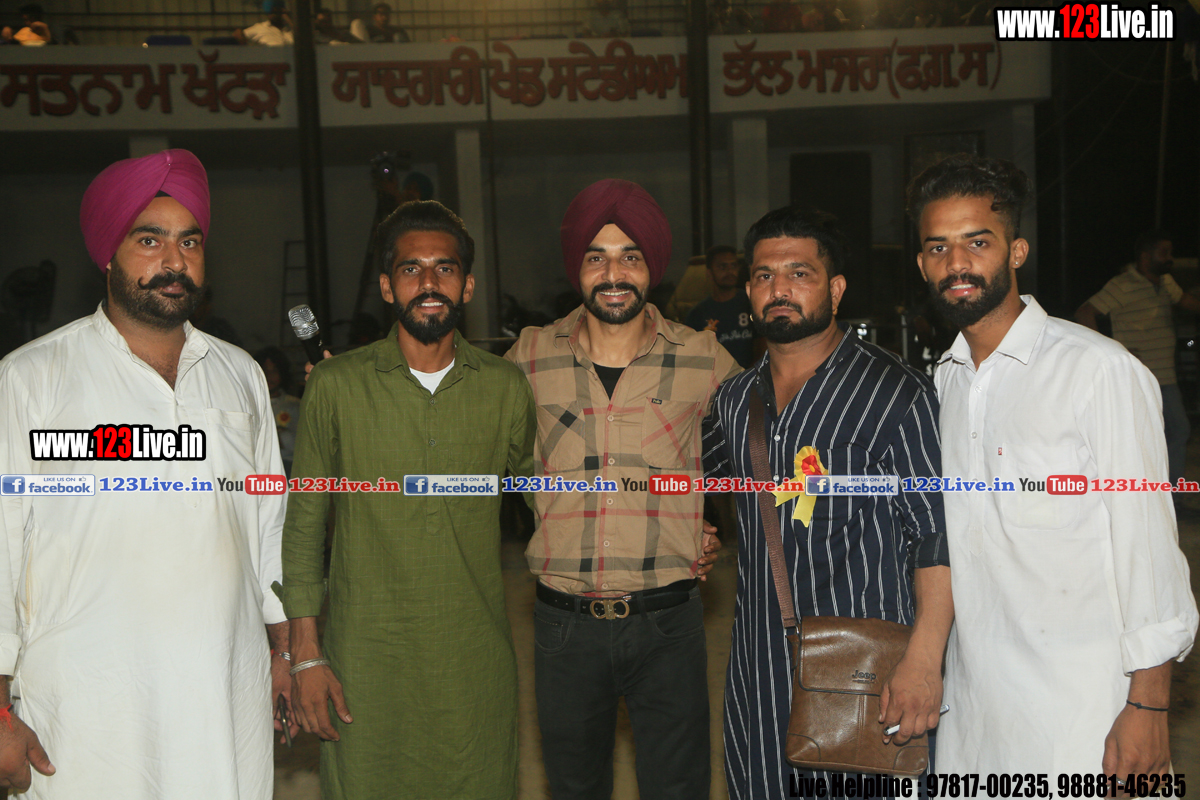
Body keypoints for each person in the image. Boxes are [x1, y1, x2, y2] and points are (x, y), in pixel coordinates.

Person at [0, 149, 293, 797]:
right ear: (108, 254)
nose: (174, 260)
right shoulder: (33, 378)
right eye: (149, 240)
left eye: (190, 241)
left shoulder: (239, 375)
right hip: (86, 706)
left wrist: (287, 653)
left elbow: (269, 527)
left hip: (226, 692)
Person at [909, 153, 1198, 777]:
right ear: (922, 264)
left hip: (1088, 714)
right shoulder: (945, 384)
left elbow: (1148, 549)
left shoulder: (1099, 371)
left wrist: (1148, 706)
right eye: (938, 248)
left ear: (1016, 251)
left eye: (977, 242)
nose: (956, 263)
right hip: (976, 719)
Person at [282, 200, 535, 800]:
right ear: (386, 286)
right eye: (410, 269)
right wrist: (305, 656)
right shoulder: (337, 386)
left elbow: (549, 499)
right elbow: (304, 524)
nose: (428, 283)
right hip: (365, 661)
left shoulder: (504, 386)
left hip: (473, 661)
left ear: (467, 285)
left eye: (444, 268)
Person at [701, 206, 951, 799]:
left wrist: (924, 661)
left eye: (799, 274)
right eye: (764, 276)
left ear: (835, 290)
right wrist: (692, 529)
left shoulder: (894, 393)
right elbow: (695, 486)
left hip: (865, 674)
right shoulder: (733, 401)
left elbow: (936, 536)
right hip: (759, 669)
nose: (779, 289)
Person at [504, 179, 737, 800]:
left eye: (630, 257)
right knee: (573, 787)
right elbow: (461, 427)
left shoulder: (703, 357)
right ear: (576, 268)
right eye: (596, 257)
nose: (613, 274)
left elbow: (765, 436)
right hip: (564, 625)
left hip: (669, 624)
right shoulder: (527, 357)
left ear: (652, 267)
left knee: (678, 787)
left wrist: (699, 518)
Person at [1075, 230, 1200, 487]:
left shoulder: (1166, 282)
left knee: (1176, 431)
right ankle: (1147, 491)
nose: (1170, 258)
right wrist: (1111, 350)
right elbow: (1085, 313)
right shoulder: (1122, 284)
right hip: (1140, 376)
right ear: (1145, 257)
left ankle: (1169, 494)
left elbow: (1185, 301)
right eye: (1164, 252)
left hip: (1166, 375)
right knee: (1149, 435)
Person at [684, 245, 756, 367]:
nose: (730, 271)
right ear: (709, 273)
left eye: (733, 266)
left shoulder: (752, 303)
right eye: (723, 267)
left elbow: (765, 343)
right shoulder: (697, 314)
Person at [254, 346, 301, 476]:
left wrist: (268, 436)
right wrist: (276, 434)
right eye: (265, 371)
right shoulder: (248, 403)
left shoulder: (295, 405)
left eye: (274, 371)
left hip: (287, 466)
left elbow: (298, 443)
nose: (269, 376)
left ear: (282, 373)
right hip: (255, 468)